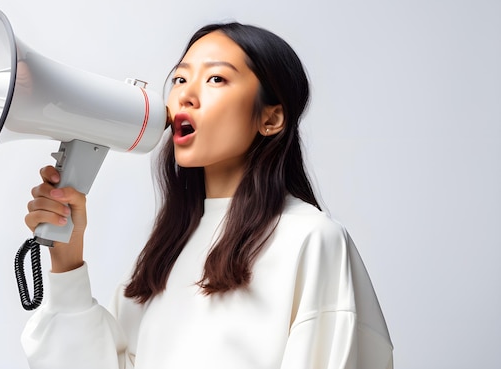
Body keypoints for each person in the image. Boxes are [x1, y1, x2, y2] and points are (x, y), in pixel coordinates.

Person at [21, 23, 394, 369]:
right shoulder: (162, 256)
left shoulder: (311, 239)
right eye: (180, 78)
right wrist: (66, 260)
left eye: (216, 78)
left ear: (271, 118)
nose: (186, 95)